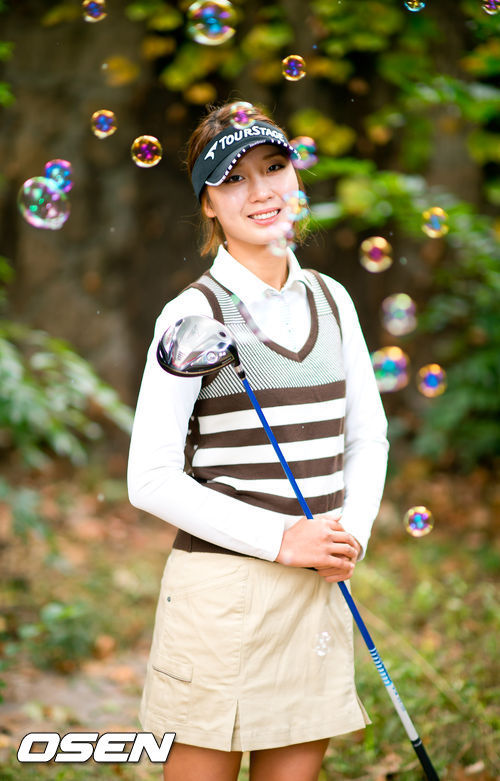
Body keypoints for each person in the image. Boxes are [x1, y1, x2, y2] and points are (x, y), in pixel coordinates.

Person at [127, 101, 389, 781]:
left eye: (274, 168)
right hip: (222, 598)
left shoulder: (333, 299)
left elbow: (368, 436)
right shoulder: (193, 314)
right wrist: (282, 539)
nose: (262, 191)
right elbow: (149, 477)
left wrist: (350, 535)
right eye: (234, 179)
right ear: (208, 204)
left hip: (315, 593)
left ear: (296, 177)